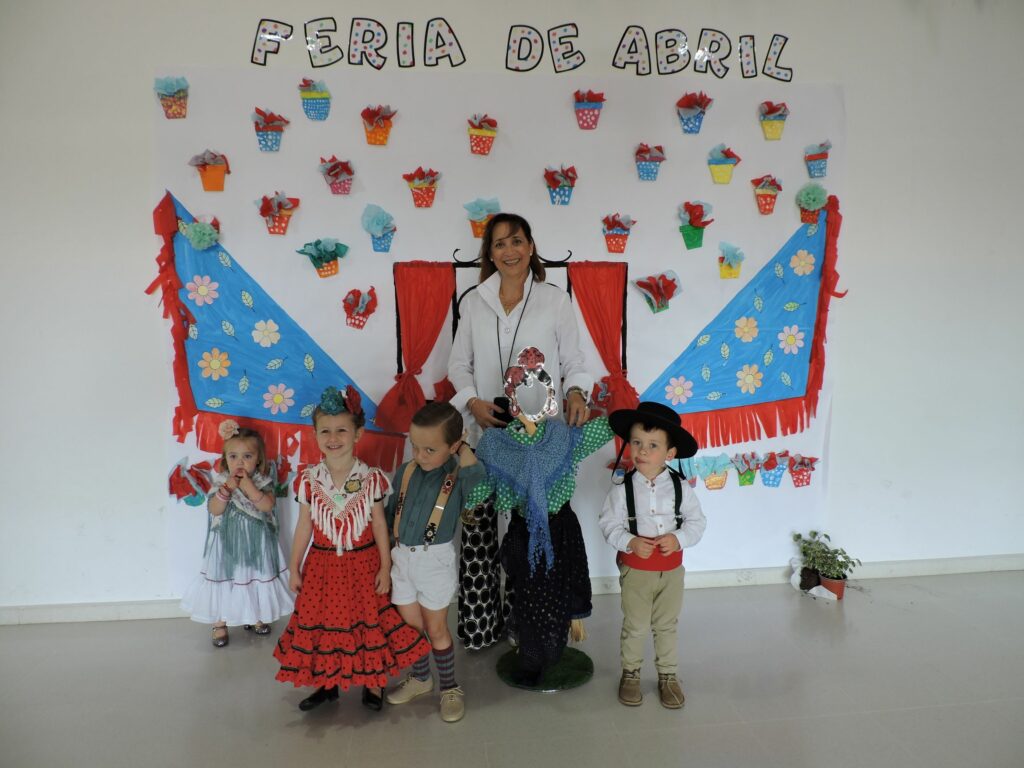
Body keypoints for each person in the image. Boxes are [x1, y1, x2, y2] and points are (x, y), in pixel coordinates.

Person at [448, 212, 594, 650]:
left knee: (534, 530)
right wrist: (472, 402)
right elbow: (458, 365)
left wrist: (577, 392)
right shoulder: (474, 301)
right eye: (499, 244)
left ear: (531, 247)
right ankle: (481, 629)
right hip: (487, 429)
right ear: (489, 254)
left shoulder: (554, 300)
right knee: (479, 531)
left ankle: (532, 624)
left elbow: (574, 360)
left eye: (516, 241)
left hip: (539, 436)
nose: (509, 250)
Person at [273, 386, 430, 712]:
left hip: (364, 565)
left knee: (367, 621)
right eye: (325, 431)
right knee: (324, 622)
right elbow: (304, 526)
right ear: (315, 435)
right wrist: (294, 566)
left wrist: (385, 567)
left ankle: (374, 683)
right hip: (322, 566)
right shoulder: (309, 480)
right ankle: (327, 683)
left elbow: (379, 525)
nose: (333, 438)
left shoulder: (371, 479)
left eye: (341, 430)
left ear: (358, 434)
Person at [599, 402, 705, 709]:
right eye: (637, 443)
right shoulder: (622, 489)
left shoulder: (681, 487)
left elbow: (697, 522)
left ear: (670, 454)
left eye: (653, 445)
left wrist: (678, 538)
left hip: (671, 571)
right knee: (635, 625)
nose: (643, 450)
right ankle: (631, 673)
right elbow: (608, 524)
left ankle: (667, 675)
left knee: (666, 624)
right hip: (637, 571)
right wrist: (629, 541)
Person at [383, 402, 484, 723]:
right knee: (411, 628)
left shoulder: (460, 474)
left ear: (453, 446)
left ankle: (449, 687)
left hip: (434, 562)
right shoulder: (406, 471)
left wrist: (464, 452)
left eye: (430, 449)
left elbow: (479, 492)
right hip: (401, 558)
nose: (420, 455)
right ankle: (421, 678)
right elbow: (390, 513)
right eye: (415, 446)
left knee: (436, 629)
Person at [180, 420, 293, 647]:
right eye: (233, 456)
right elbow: (214, 509)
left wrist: (249, 487)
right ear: (225, 459)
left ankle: (255, 614)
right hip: (227, 545)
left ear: (258, 459)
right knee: (225, 580)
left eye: (247, 456)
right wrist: (228, 489)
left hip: (256, 545)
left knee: (253, 578)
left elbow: (267, 506)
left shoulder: (262, 481)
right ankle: (220, 622)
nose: (239, 462)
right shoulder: (222, 481)